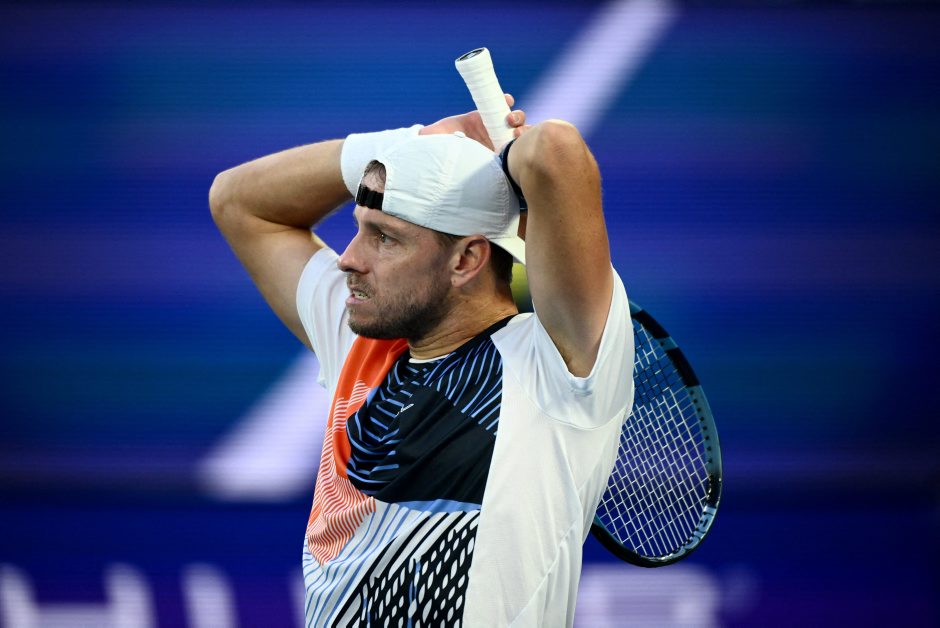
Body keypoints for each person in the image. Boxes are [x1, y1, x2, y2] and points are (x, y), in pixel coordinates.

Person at [209, 95, 634, 627]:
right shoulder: (363, 344)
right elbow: (236, 200)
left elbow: (555, 150)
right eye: (359, 227)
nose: (348, 259)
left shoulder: (557, 370)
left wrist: (499, 157)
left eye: (384, 238)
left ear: (466, 259)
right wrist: (410, 145)